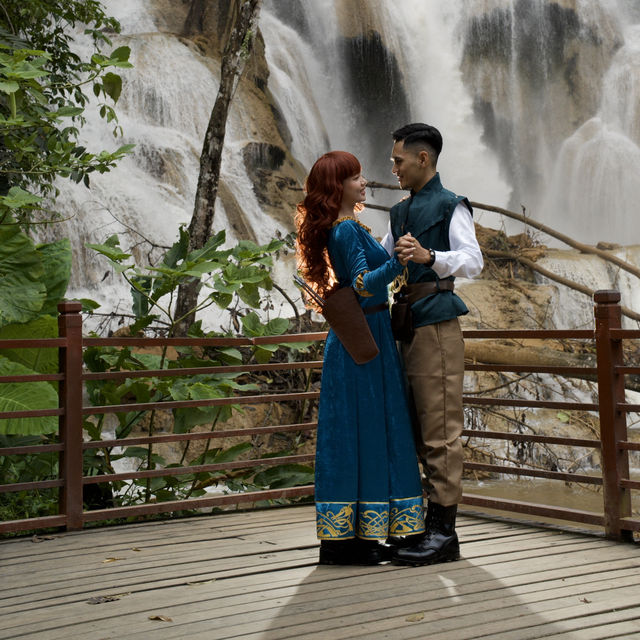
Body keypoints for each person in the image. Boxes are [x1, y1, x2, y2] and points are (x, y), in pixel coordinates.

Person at [295, 150, 426, 565]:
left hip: (365, 337)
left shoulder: (348, 226)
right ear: (338, 188)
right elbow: (364, 284)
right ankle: (347, 543)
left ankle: (352, 537)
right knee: (365, 429)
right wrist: (398, 260)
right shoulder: (347, 229)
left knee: (354, 432)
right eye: (354, 176)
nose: (363, 181)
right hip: (363, 340)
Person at [380, 123, 484, 566]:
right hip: (404, 325)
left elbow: (475, 261)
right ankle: (421, 525)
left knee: (440, 430)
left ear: (423, 159)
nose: (394, 167)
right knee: (416, 429)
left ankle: (445, 533)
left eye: (398, 160)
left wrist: (431, 258)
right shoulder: (400, 212)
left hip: (437, 325)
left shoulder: (449, 205)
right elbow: (382, 259)